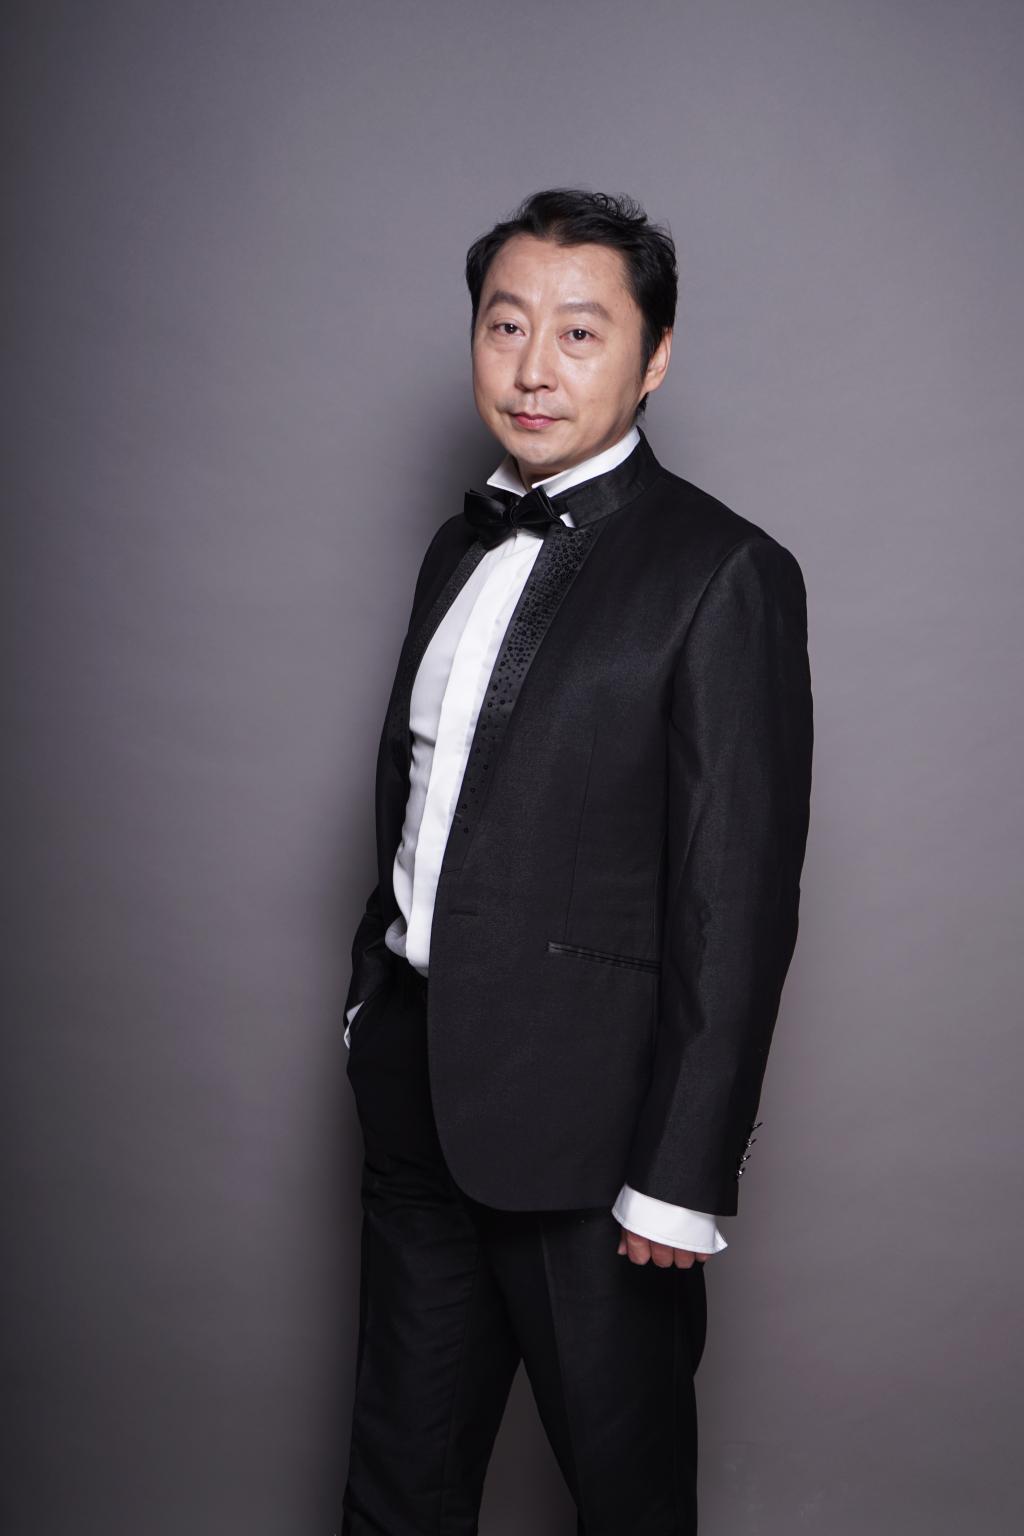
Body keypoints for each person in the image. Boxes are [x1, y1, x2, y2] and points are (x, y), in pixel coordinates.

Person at [338, 187, 813, 1535]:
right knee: (397, 1487)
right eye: (506, 326)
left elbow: (735, 896)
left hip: (597, 1146)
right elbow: (422, 801)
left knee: (626, 1500)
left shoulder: (725, 572)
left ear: (653, 358)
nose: (533, 368)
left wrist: (682, 1170)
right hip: (415, 1095)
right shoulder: (456, 547)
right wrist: (370, 1004)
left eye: (581, 332)